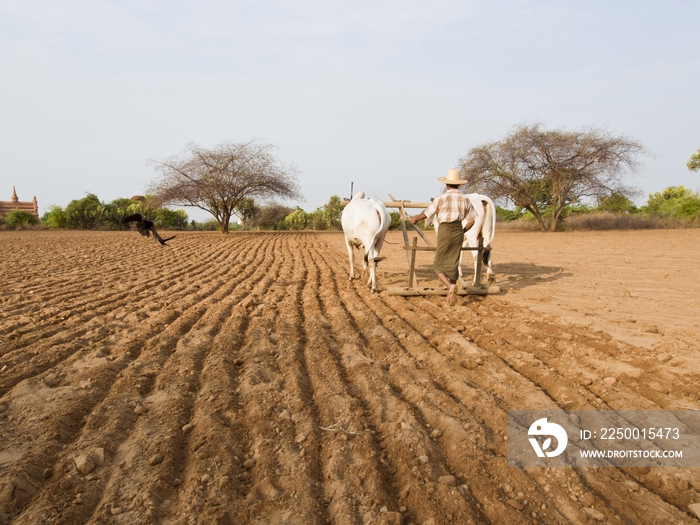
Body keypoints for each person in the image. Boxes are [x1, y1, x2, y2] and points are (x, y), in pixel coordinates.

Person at [410, 168, 475, 305]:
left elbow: (427, 214)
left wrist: (415, 218)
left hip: (445, 231)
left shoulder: (441, 198)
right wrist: (462, 231)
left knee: (438, 266)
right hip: (458, 230)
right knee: (453, 263)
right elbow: (471, 221)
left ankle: (450, 287)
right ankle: (451, 294)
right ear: (459, 184)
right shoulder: (466, 200)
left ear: (446, 184)